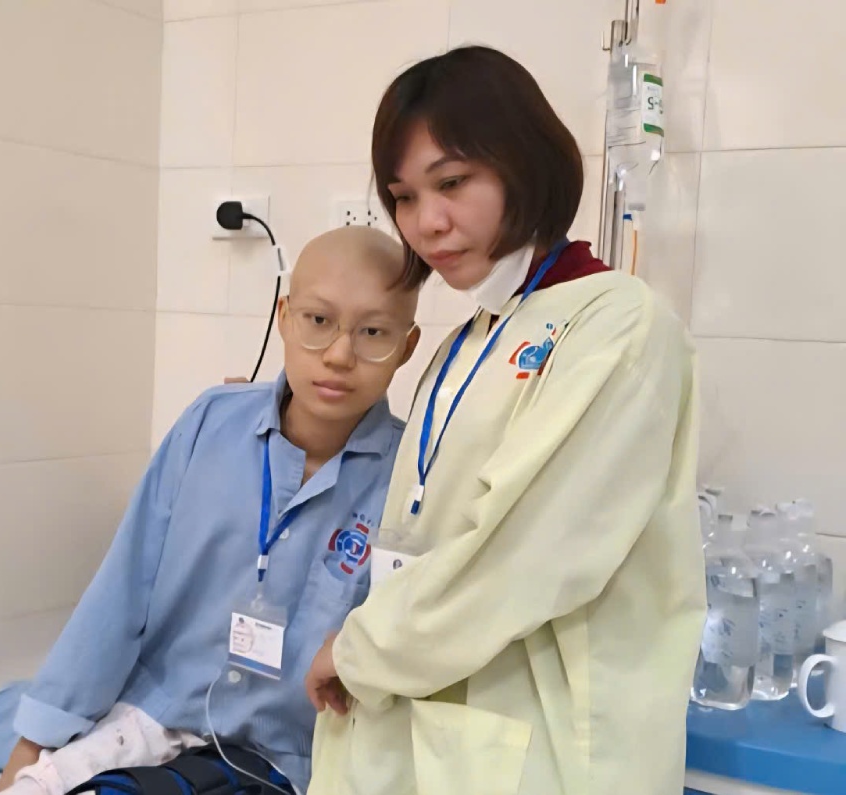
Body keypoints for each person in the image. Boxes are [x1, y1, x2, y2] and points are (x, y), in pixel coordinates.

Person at [304, 45, 705, 795]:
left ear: (524, 161)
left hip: (543, 751)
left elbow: (523, 555)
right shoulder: (467, 339)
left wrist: (359, 651)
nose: (427, 223)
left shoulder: (618, 323)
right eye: (404, 196)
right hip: (427, 724)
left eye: (452, 182)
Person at [0, 225, 422, 795]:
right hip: (157, 712)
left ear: (407, 347)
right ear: (284, 317)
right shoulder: (210, 423)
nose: (340, 355)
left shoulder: (413, 478)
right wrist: (31, 750)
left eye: (373, 333)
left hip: (283, 756)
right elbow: (122, 590)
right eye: (318, 321)